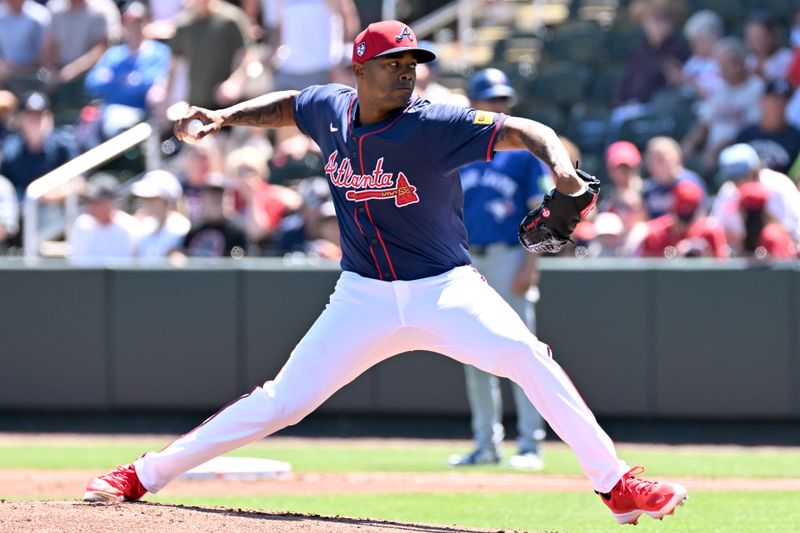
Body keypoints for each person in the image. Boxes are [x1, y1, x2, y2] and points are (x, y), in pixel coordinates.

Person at [84, 20, 688, 525]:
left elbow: (529, 130)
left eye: (413, 62)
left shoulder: (434, 124)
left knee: (529, 357)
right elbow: (288, 107)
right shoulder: (330, 108)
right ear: (360, 68)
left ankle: (617, 484)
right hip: (361, 298)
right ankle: (142, 474)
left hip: (445, 290)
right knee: (280, 402)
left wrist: (561, 171)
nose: (406, 71)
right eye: (393, 62)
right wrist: (221, 116)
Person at [448, 68, 548, 470]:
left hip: (510, 255)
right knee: (472, 354)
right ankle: (485, 445)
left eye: (504, 99)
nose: (500, 106)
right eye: (492, 100)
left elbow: (540, 213)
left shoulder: (522, 153)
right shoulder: (458, 147)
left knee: (523, 350)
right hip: (466, 259)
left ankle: (529, 445)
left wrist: (530, 263)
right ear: (474, 104)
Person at [681, 37, 765, 177]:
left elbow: (750, 130)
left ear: (741, 63)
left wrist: (717, 149)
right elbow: (704, 123)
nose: (722, 70)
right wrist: (686, 147)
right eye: (720, 65)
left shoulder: (757, 88)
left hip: (740, 155)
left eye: (727, 65)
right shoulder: (721, 88)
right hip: (711, 152)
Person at [711, 143, 800, 249]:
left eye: (742, 176)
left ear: (755, 170)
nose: (739, 182)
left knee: (772, 236)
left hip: (776, 255)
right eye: (733, 178)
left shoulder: (779, 185)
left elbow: (793, 231)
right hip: (738, 256)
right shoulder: (728, 189)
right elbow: (716, 228)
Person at [639, 179, 727, 258]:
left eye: (689, 216)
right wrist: (674, 254)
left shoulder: (710, 231)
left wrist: (706, 257)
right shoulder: (656, 234)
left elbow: (722, 270)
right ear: (672, 209)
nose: (684, 223)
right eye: (682, 216)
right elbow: (649, 273)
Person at [67, 173, 140, 262]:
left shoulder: (131, 227)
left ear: (111, 201)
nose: (90, 206)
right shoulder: (82, 224)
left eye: (96, 201)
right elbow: (73, 260)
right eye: (88, 201)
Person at [735, 79, 800, 175]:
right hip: (747, 187)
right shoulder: (746, 134)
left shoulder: (796, 138)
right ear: (762, 101)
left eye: (783, 100)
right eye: (773, 99)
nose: (777, 105)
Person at [641, 136, 706, 220]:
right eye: (652, 159)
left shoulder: (691, 183)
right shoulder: (648, 188)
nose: (656, 163)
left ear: (676, 157)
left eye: (661, 158)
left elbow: (701, 215)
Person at [132, 169, 190, 259]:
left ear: (167, 201)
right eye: (146, 199)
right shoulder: (145, 226)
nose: (147, 204)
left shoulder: (181, 227)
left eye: (153, 199)